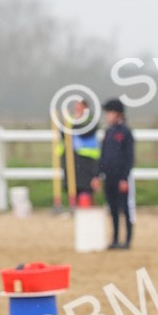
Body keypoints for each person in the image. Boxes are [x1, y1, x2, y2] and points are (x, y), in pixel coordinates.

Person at [92, 98, 135, 249]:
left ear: (117, 114)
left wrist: (124, 177)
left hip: (120, 177)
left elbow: (129, 157)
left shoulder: (126, 133)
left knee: (125, 208)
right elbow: (103, 156)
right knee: (113, 209)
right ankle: (115, 239)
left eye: (109, 112)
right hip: (109, 177)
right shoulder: (108, 132)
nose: (107, 116)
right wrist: (97, 175)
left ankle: (127, 239)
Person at [56, 96, 100, 206]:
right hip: (71, 158)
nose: (76, 108)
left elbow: (85, 132)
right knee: (72, 186)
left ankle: (87, 208)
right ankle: (73, 206)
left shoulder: (90, 120)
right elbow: (63, 134)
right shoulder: (71, 119)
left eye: (79, 105)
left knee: (86, 187)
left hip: (86, 159)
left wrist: (74, 126)